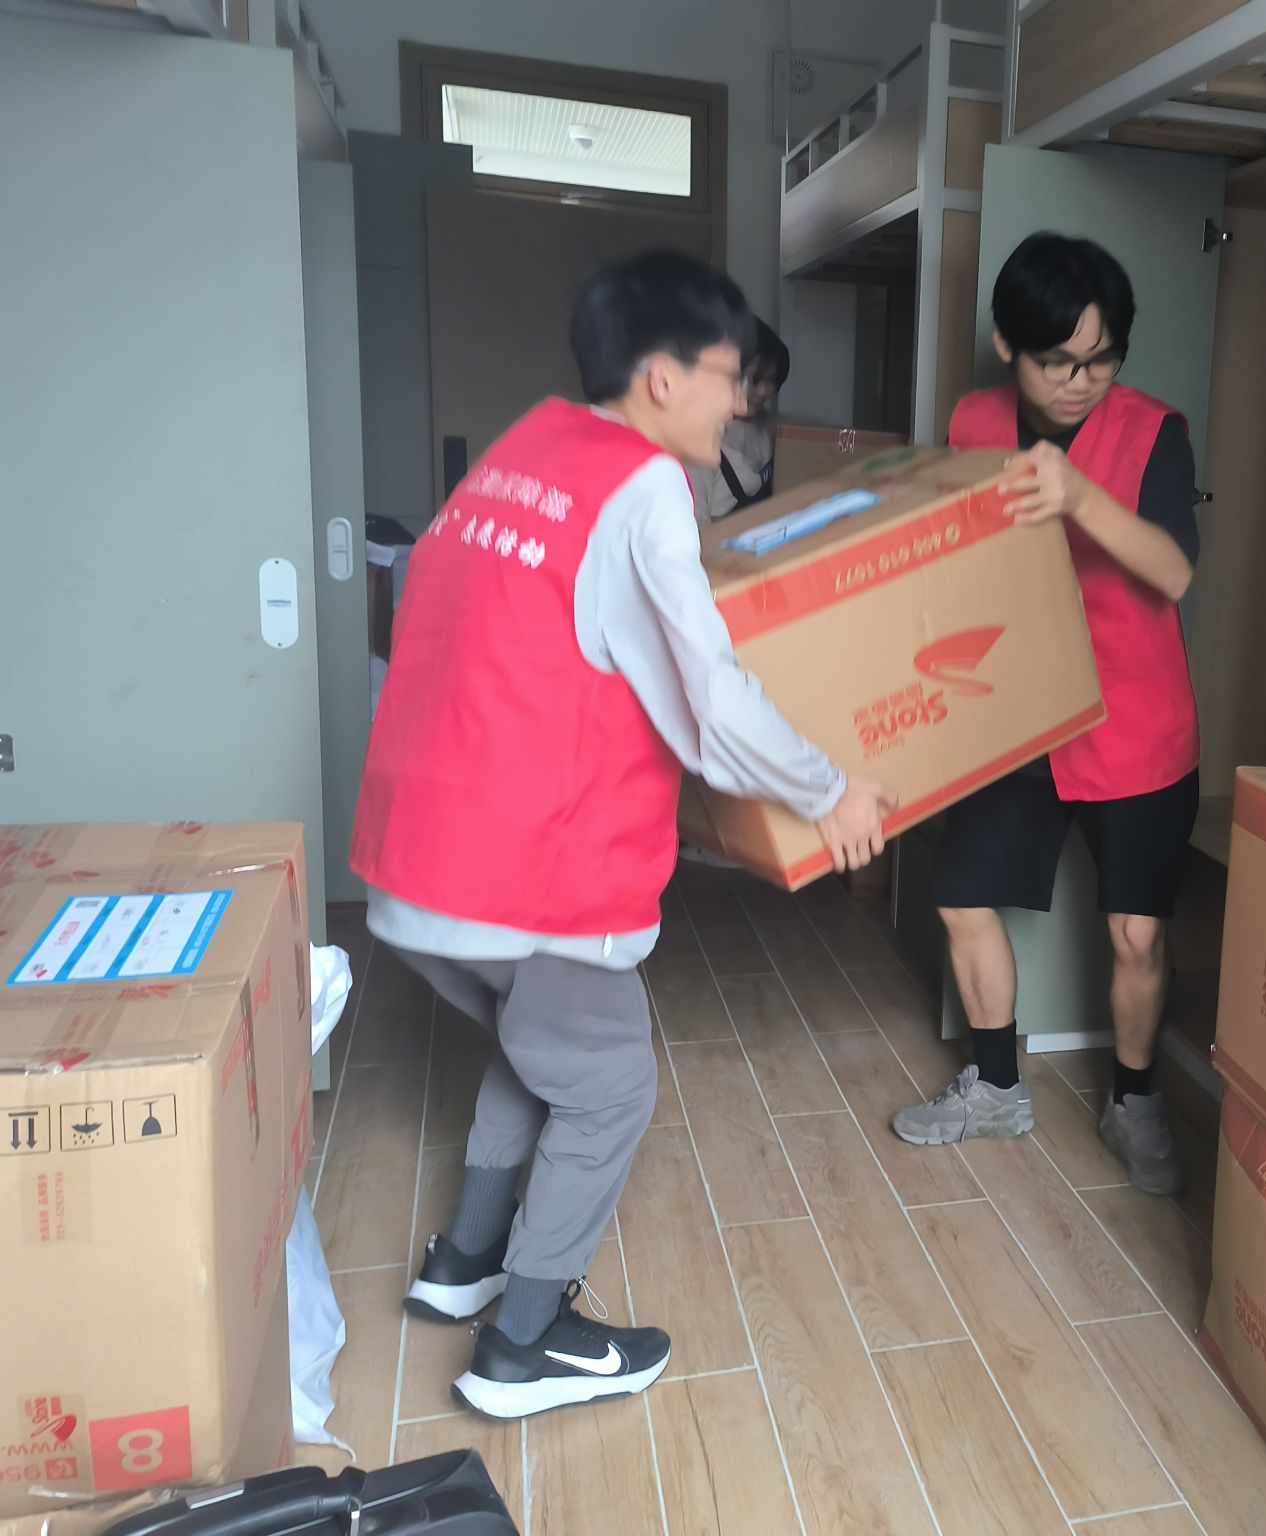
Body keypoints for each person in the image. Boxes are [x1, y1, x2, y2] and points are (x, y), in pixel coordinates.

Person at [351, 248, 894, 1420]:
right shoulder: (644, 485)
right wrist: (829, 791)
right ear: (661, 377)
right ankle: (524, 1342)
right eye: (728, 377)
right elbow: (713, 704)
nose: (739, 403)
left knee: (539, 1045)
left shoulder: (525, 449)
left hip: (411, 863)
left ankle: (466, 1259)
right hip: (524, 872)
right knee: (609, 1086)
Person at [892, 233, 1201, 1195]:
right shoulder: (974, 420)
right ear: (1007, 346)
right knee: (960, 895)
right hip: (1020, 715)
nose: (1080, 382)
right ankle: (996, 1087)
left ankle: (1135, 1103)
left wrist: (1077, 497)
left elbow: (1174, 571)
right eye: (1058, 361)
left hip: (1135, 719)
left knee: (1137, 934)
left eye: (1101, 360)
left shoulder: (1153, 432)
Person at [692, 318, 789, 522]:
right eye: (755, 379)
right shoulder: (696, 450)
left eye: (771, 381)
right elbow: (697, 529)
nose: (763, 391)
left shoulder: (766, 426)